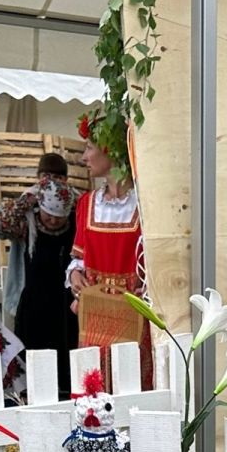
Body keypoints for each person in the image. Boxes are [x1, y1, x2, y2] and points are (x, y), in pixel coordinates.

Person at [0, 150, 80, 393]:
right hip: (32, 304)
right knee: (33, 360)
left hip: (67, 305)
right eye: (48, 216)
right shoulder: (27, 218)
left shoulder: (76, 209)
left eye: (57, 218)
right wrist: (26, 198)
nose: (53, 221)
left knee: (68, 359)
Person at [68, 127, 147, 357]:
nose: (84, 157)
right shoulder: (87, 203)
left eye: (89, 147)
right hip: (96, 319)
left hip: (133, 319)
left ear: (110, 150)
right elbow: (79, 259)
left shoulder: (144, 205)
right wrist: (75, 275)